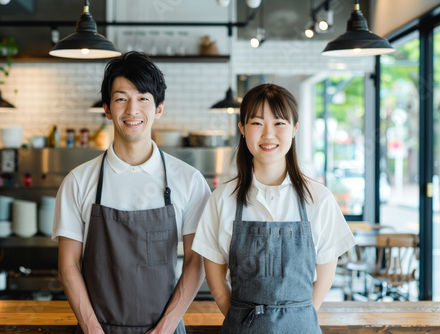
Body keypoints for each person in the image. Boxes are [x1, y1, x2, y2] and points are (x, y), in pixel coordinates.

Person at [53, 51, 210, 334]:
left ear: (159, 108)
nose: (132, 111)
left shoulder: (189, 180)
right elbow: (68, 265)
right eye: (121, 98)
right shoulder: (78, 181)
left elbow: (195, 261)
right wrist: (92, 328)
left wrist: (166, 327)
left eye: (143, 98)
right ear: (107, 108)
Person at [192, 84, 356, 333]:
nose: (268, 134)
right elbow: (216, 284)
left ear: (294, 129)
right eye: (257, 123)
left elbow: (324, 278)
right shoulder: (222, 199)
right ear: (242, 130)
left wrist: (296, 317)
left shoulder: (319, 198)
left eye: (279, 123)